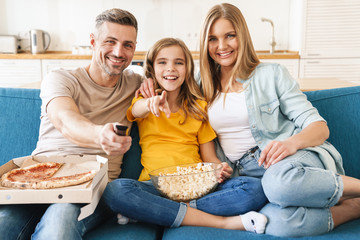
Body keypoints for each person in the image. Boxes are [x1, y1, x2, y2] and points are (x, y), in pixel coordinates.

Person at [138, 3, 360, 238]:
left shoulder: (271, 74)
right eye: (213, 39)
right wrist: (146, 80)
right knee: (276, 224)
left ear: (241, 36)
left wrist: (290, 144)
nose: (221, 46)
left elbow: (319, 127)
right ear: (205, 43)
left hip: (289, 159)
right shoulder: (199, 83)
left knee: (279, 184)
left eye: (229, 36)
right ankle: (354, 207)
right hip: (247, 176)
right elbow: (163, 73)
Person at [0, 8, 143, 240]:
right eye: (110, 41)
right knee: (4, 224)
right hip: (36, 180)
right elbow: (66, 120)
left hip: (91, 190)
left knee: (60, 219)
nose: (119, 52)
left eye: (128, 44)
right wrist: (99, 135)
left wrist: (152, 88)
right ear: (93, 42)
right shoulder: (60, 78)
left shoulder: (136, 84)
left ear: (134, 48)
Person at [103, 37, 268, 234]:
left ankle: (153, 212)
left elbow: (209, 158)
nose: (170, 68)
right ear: (152, 68)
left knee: (253, 188)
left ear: (188, 69)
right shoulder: (144, 99)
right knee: (116, 191)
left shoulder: (199, 107)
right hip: (156, 187)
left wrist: (218, 168)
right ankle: (222, 221)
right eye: (162, 62)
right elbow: (136, 111)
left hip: (197, 188)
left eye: (178, 63)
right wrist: (150, 103)